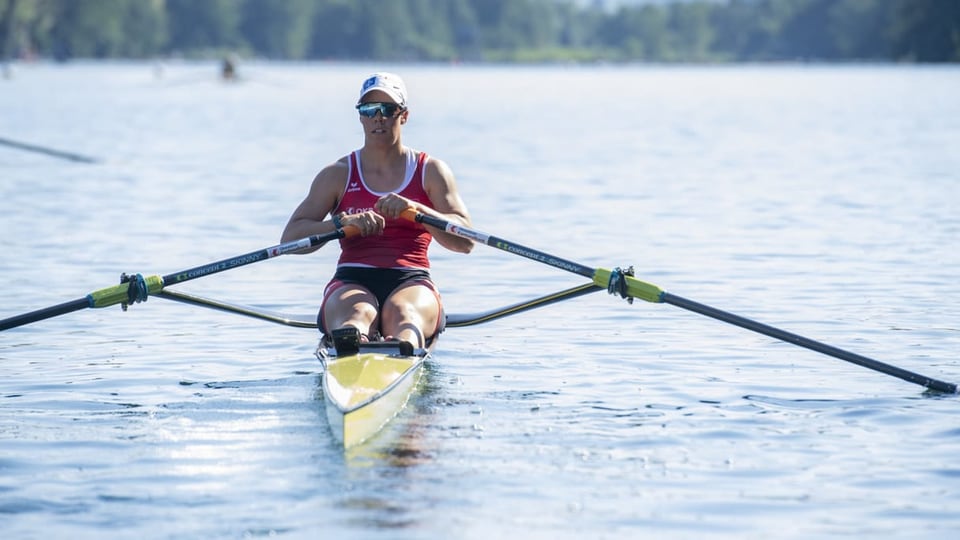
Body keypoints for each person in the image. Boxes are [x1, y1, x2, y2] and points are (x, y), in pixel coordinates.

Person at [281, 72, 473, 353]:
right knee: (355, 317)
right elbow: (290, 239)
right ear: (360, 117)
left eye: (388, 110)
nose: (378, 117)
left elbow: (465, 240)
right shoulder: (337, 175)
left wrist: (417, 210)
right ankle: (355, 348)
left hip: (411, 278)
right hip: (352, 278)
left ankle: (400, 349)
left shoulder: (430, 172)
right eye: (369, 110)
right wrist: (342, 224)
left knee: (405, 316)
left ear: (404, 115)